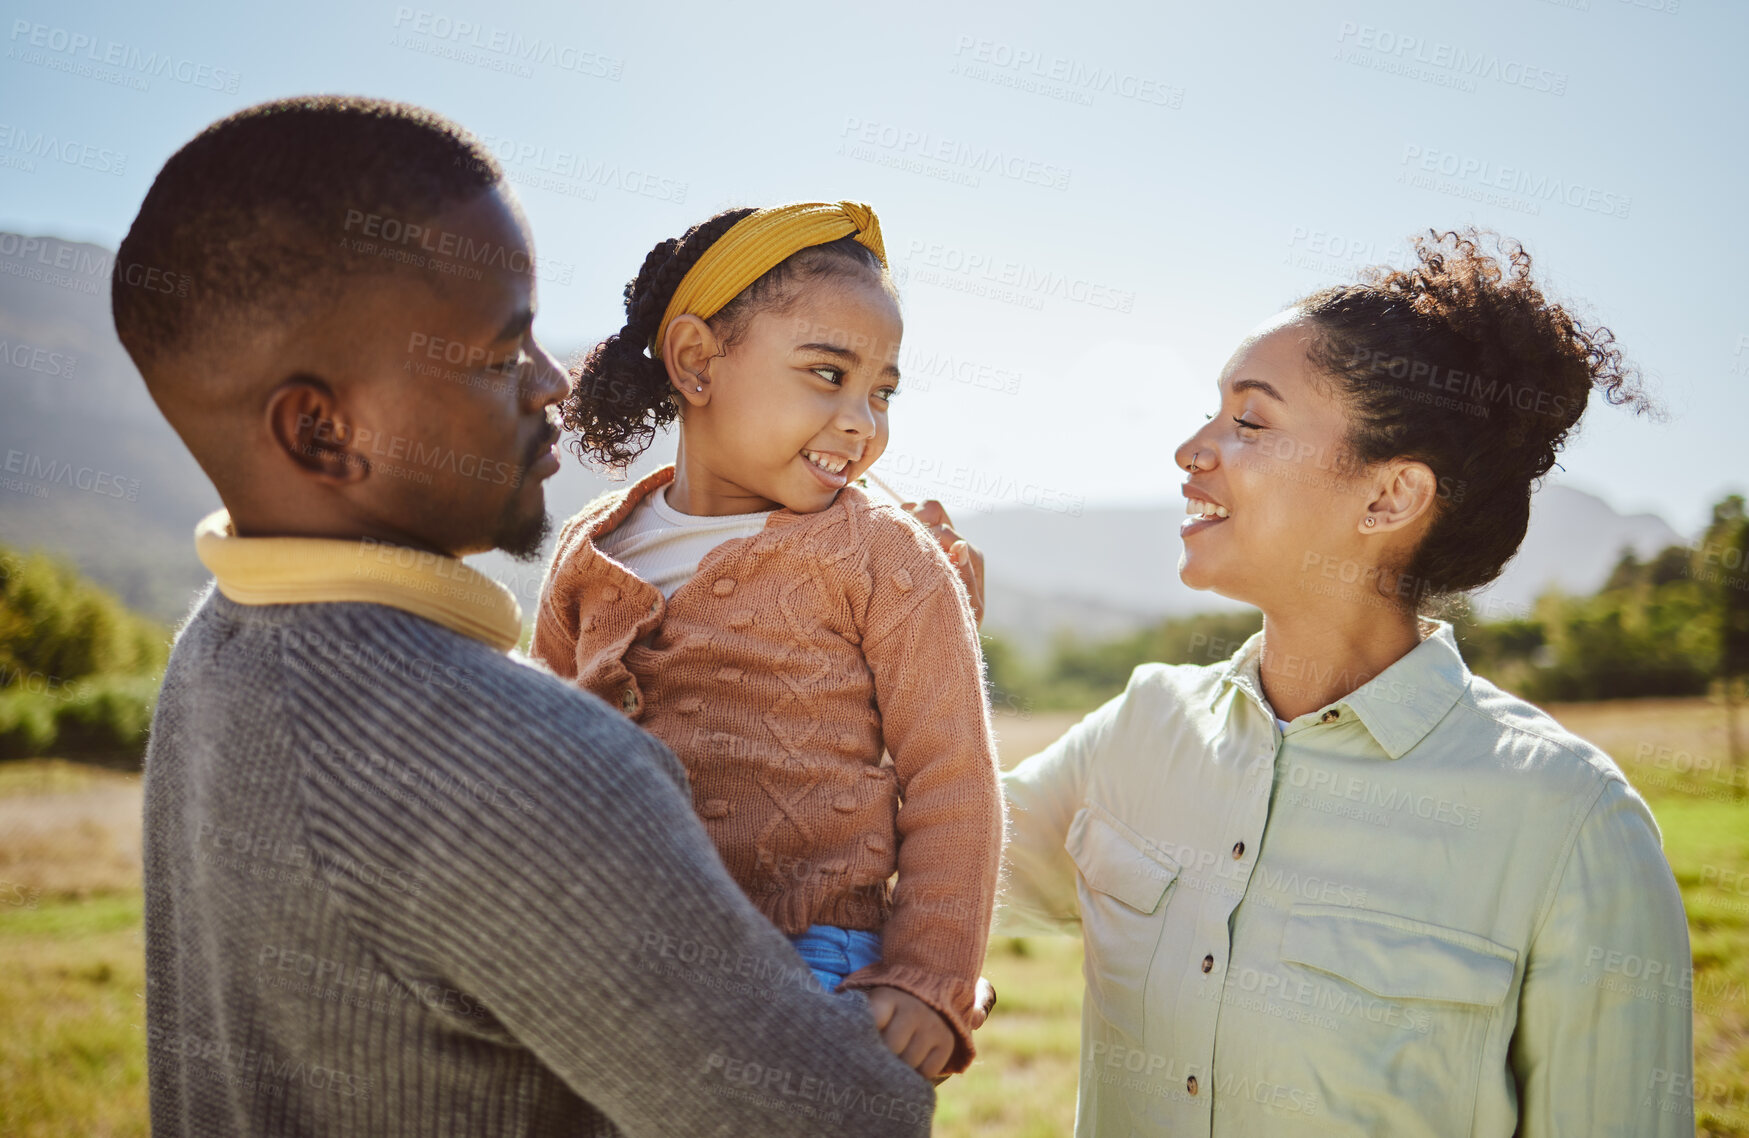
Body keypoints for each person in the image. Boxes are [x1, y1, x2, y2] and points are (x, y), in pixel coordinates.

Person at [117, 95, 944, 1136]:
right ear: (321, 430)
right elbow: (843, 1120)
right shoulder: (527, 767)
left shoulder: (215, 650)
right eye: (503, 353)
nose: (554, 382)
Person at [994, 230, 1694, 1135]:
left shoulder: (1570, 822)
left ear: (1388, 498)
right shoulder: (1141, 726)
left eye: (1249, 421)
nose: (1190, 450)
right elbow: (894, 870)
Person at [531, 203, 1005, 1080]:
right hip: (609, 957)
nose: (863, 420)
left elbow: (953, 776)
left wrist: (929, 976)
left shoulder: (884, 556)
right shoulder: (592, 548)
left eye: (883, 391)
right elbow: (546, 755)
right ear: (696, 361)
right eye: (828, 374)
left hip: (817, 966)